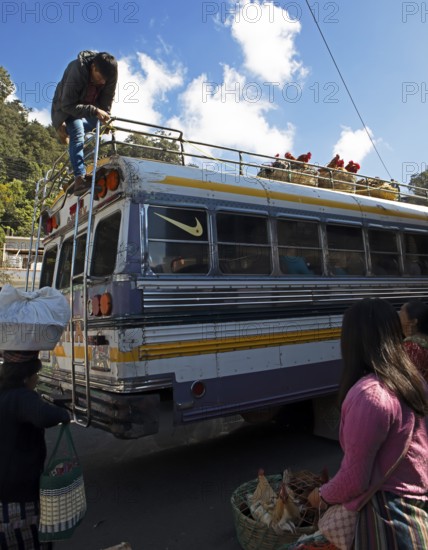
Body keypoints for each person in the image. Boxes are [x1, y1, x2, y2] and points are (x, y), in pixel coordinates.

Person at [305, 298, 428, 548]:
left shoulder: (370, 395)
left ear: (352, 341)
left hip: (387, 517)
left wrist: (320, 496)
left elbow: (355, 479)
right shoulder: (413, 383)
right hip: (417, 510)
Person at [0, 351, 70, 549]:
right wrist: (63, 413)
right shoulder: (21, 397)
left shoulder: (4, 394)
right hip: (18, 499)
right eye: (35, 375)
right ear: (25, 377)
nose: (37, 378)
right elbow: (44, 416)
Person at [51, 50, 118, 196]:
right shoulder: (76, 70)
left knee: (99, 127)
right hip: (67, 108)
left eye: (105, 80)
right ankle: (79, 177)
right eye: (100, 78)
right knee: (78, 131)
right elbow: (67, 105)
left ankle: (84, 158)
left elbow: (107, 99)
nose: (103, 83)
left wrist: (104, 118)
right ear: (93, 67)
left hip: (89, 108)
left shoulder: (109, 74)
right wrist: (94, 111)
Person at [399, 298, 428, 382]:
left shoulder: (411, 347)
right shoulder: (423, 341)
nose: (398, 314)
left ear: (413, 321)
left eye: (401, 310)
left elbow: (405, 378)